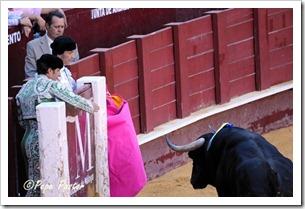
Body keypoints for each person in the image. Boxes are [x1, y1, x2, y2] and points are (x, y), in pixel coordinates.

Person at [16, 54, 99, 197]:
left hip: (27, 139)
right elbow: (72, 98)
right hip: (44, 138)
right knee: (48, 184)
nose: (59, 75)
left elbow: (19, 114)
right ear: (49, 71)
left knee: (34, 182)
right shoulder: (51, 84)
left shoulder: (25, 87)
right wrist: (91, 106)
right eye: (57, 71)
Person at [24, 10, 79, 78]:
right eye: (56, 27)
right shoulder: (33, 46)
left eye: (62, 27)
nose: (60, 30)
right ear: (47, 26)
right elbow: (30, 74)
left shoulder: (71, 44)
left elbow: (76, 69)